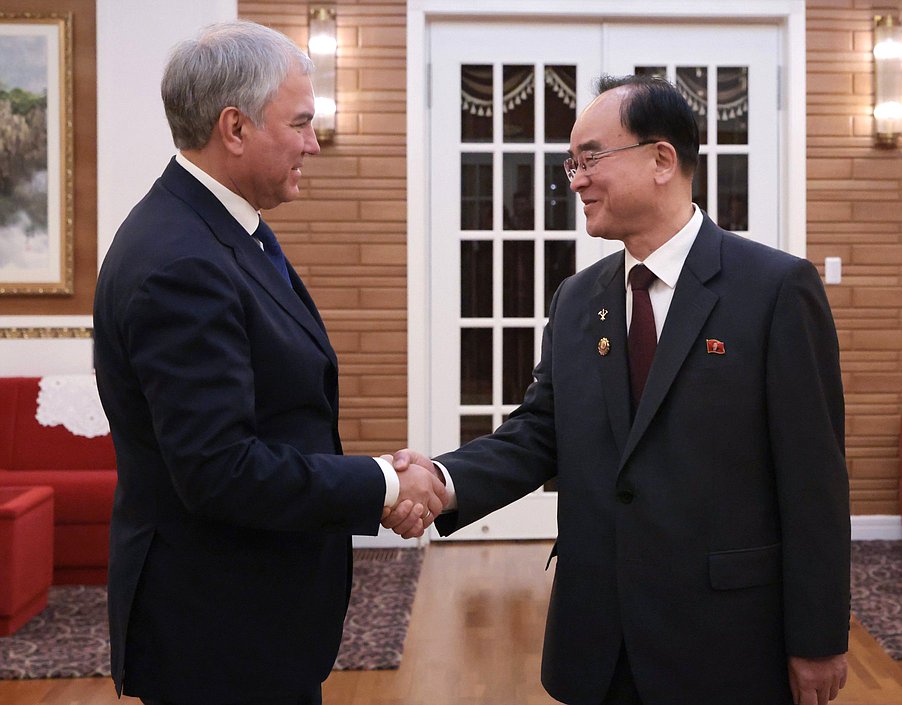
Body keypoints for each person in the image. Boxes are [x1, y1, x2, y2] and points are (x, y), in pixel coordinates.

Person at [386, 74, 850, 705]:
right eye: (571, 164)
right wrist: (442, 481)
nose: (575, 180)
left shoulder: (775, 290)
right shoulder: (579, 298)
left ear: (661, 159)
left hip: (727, 639)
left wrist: (819, 636)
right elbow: (540, 432)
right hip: (599, 640)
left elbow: (814, 478)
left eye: (590, 158)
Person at [93, 20, 446, 705]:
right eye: (301, 123)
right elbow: (219, 469)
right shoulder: (181, 261)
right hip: (216, 633)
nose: (314, 143)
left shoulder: (218, 228)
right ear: (235, 127)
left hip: (252, 618)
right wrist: (382, 483)